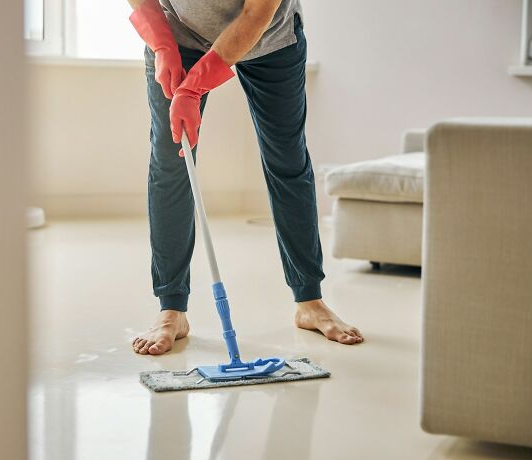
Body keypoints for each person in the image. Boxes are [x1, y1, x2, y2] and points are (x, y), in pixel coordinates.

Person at [128, 0, 364, 355]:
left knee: (287, 159)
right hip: (179, 34)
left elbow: (256, 15)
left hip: (269, 36)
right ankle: (171, 308)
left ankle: (309, 301)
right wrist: (162, 44)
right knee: (172, 162)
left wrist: (193, 89)